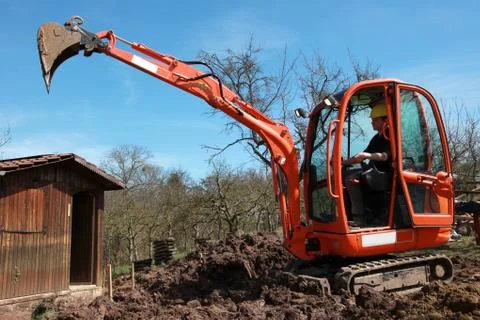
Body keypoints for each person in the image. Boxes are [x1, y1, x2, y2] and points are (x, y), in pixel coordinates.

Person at [342, 101, 391, 227]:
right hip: (373, 170)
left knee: (351, 178)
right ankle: (346, 215)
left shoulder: (390, 135)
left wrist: (367, 156)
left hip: (385, 173)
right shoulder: (376, 138)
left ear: (384, 120)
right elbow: (361, 156)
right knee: (344, 174)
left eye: (375, 119)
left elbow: (385, 156)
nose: (372, 122)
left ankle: (359, 217)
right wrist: (342, 162)